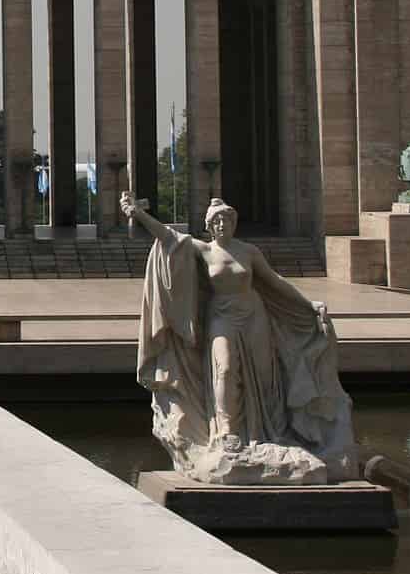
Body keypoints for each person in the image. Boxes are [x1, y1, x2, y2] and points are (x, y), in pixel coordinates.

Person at [122, 193, 357, 484]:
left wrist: (308, 304)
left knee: (262, 374)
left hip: (253, 317)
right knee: (226, 369)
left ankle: (268, 434)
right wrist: (138, 215)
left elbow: (274, 281)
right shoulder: (205, 250)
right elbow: (169, 237)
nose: (222, 224)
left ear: (234, 223)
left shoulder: (248, 251)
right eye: (217, 221)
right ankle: (227, 432)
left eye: (227, 219)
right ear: (210, 226)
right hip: (222, 318)